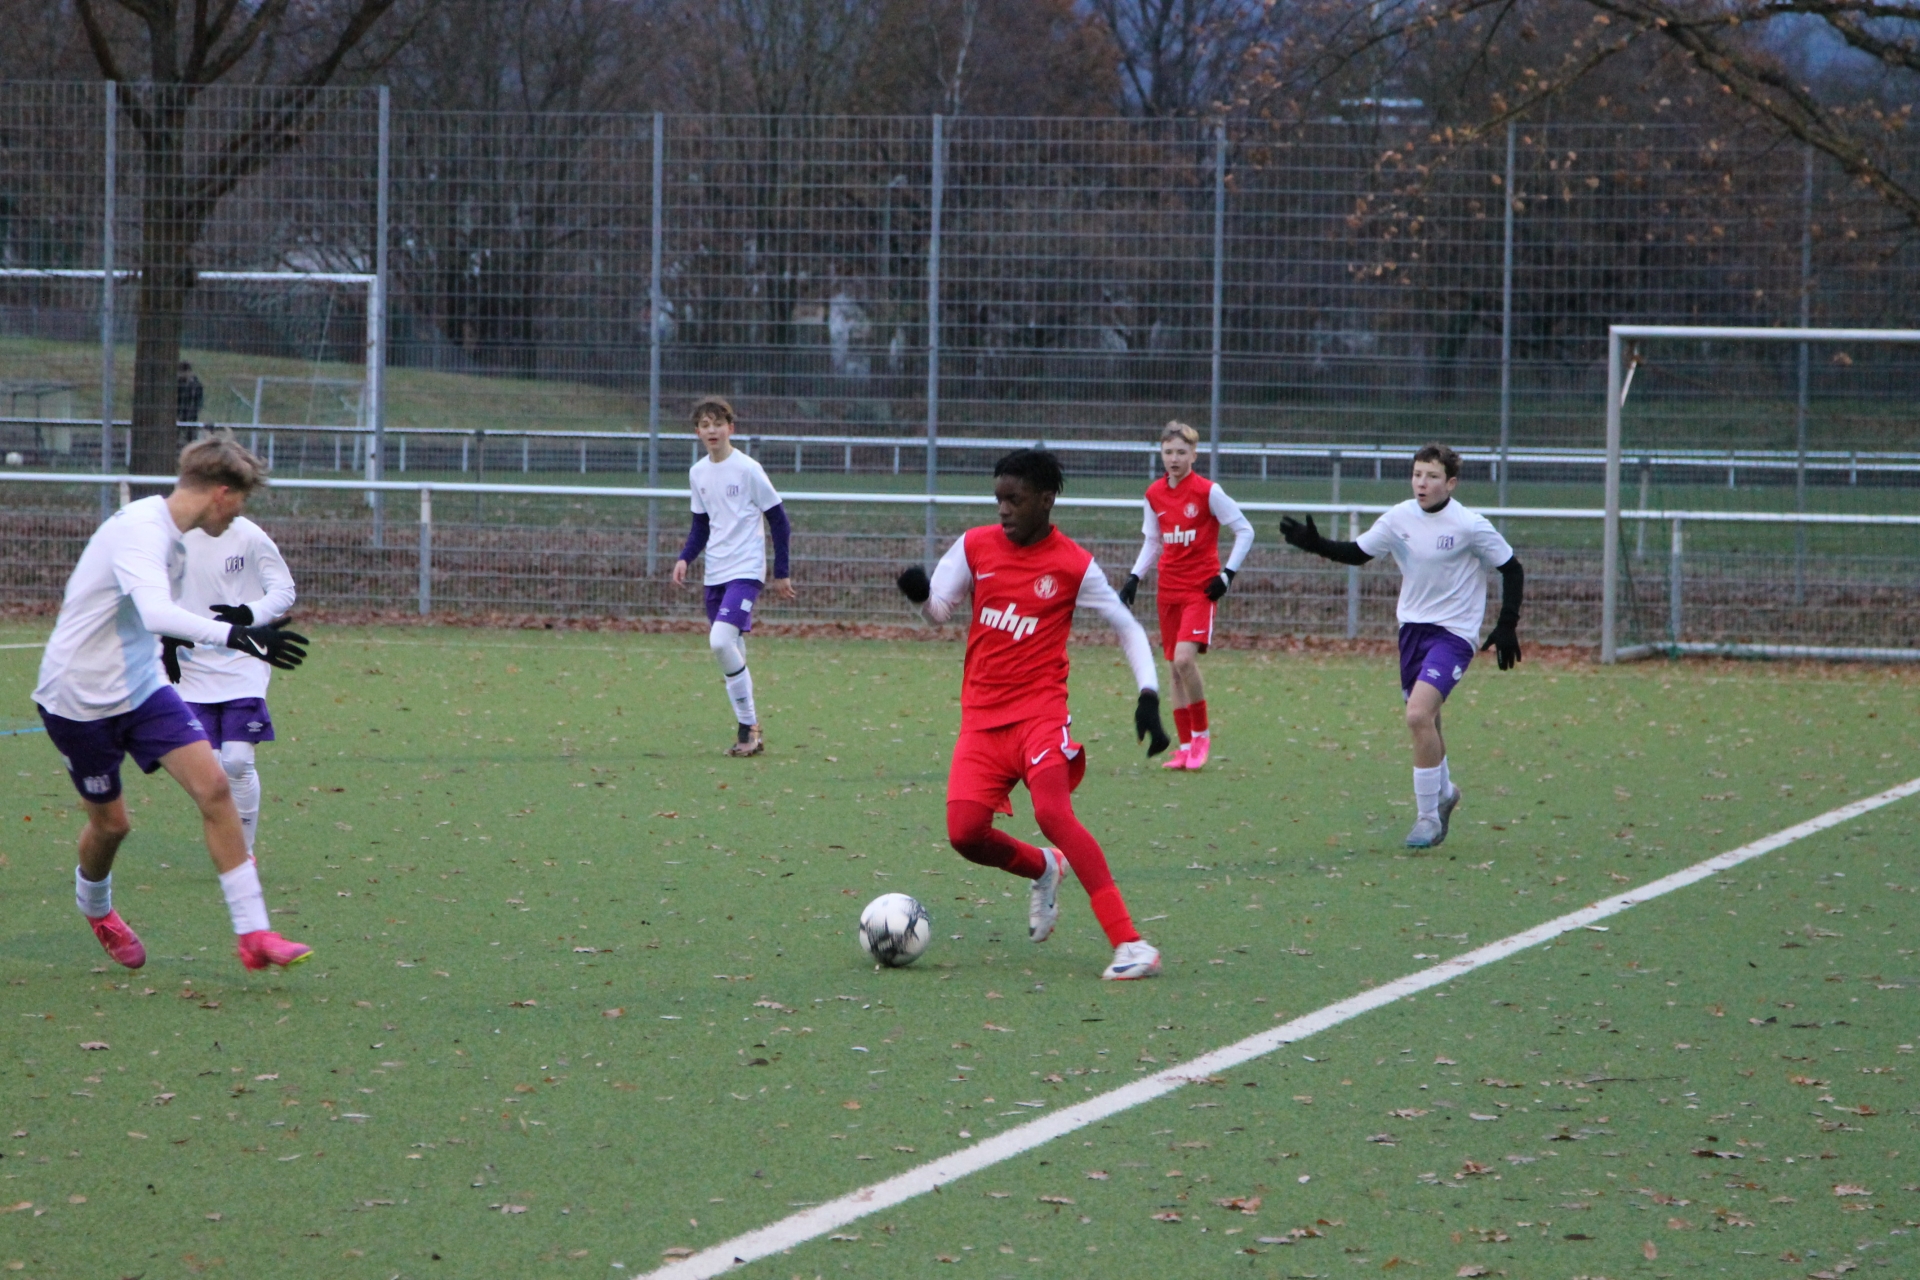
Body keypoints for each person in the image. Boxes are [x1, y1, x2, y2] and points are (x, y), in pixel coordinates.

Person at [32, 435, 313, 971]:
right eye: (240, 502)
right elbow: (157, 612)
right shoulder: (141, 530)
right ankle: (97, 908)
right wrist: (241, 636)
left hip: (142, 689)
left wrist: (169, 650)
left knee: (216, 787)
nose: (239, 515)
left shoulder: (176, 543)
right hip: (78, 697)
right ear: (222, 494)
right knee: (112, 826)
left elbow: (153, 621)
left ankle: (254, 934)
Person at [896, 448, 1171, 981]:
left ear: (1046, 500)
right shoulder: (975, 546)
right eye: (998, 499)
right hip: (981, 719)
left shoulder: (1073, 564)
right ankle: (1044, 866)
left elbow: (1127, 626)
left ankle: (1131, 942)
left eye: (1014, 500)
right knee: (965, 833)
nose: (1003, 509)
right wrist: (920, 597)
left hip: (1040, 715)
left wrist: (1148, 694)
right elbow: (939, 612)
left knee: (1052, 813)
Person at [1280, 443, 1523, 849]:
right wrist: (1315, 543)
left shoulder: (1470, 525)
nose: (1421, 483)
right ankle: (1445, 792)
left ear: (1451, 483)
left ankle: (1428, 818)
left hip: (1454, 635)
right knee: (1430, 719)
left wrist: (1507, 623)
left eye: (1431, 476)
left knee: (1417, 715)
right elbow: (1358, 554)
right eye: (1417, 474)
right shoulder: (1399, 518)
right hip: (1412, 632)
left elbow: (1512, 568)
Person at [1118, 421, 1255, 771]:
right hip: (1169, 591)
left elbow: (1245, 530)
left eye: (1181, 452)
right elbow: (1153, 541)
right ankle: (1184, 747)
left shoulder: (1209, 492)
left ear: (1194, 455)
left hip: (1200, 590)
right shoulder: (1154, 494)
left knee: (1183, 660)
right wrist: (1134, 577)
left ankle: (1201, 737)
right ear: (1161, 454)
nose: (1174, 458)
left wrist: (1227, 575)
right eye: (1168, 452)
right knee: (1174, 670)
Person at [164, 511, 298, 859]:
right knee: (210, 772)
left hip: (243, 660)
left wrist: (249, 614)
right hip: (191, 666)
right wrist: (165, 640)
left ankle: (243, 852)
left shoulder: (249, 535)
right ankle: (229, 841)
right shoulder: (172, 537)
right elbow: (154, 597)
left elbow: (284, 589)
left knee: (237, 762)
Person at [671, 396, 794, 756]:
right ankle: (751, 733)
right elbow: (701, 526)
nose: (712, 430)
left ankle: (748, 727)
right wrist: (685, 558)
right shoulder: (697, 473)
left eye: (718, 423)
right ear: (697, 432)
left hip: (746, 570)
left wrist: (781, 572)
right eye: (705, 425)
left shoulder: (748, 469)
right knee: (732, 648)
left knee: (720, 642)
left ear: (731, 428)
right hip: (715, 572)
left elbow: (779, 521)